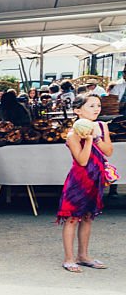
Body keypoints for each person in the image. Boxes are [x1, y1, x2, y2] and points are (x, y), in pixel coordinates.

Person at [57, 94, 114, 272]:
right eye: (91, 106)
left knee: (88, 217)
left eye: (98, 105)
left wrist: (96, 137)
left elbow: (109, 151)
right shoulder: (73, 134)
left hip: (96, 178)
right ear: (77, 110)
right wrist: (88, 140)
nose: (96, 109)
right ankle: (69, 258)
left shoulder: (102, 126)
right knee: (73, 218)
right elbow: (82, 161)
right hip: (79, 181)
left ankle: (83, 255)